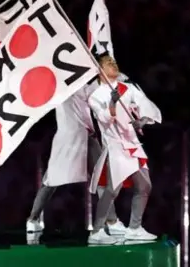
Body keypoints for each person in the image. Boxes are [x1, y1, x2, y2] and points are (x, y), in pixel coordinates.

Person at [26, 79, 127, 236]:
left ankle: (32, 220)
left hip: (69, 136)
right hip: (81, 135)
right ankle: (112, 221)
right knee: (100, 178)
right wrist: (115, 81)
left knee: (51, 180)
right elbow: (101, 90)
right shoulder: (76, 86)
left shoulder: (59, 86)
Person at [87, 55, 161, 244]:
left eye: (114, 61)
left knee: (144, 186)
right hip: (115, 146)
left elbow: (145, 108)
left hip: (132, 145)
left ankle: (134, 228)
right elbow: (104, 118)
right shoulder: (95, 96)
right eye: (108, 62)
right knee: (112, 190)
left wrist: (142, 120)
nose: (113, 63)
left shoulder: (128, 89)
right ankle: (96, 232)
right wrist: (112, 104)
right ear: (99, 70)